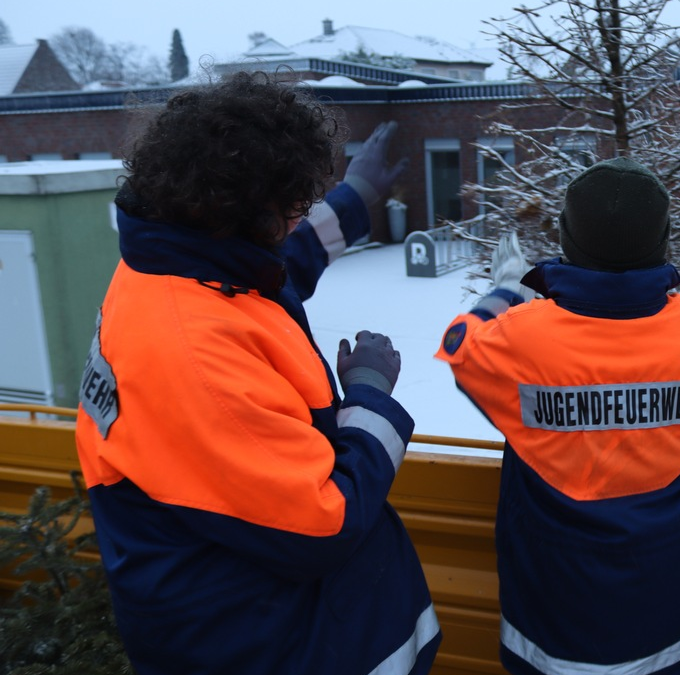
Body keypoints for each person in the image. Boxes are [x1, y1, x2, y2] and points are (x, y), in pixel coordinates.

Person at [74, 71, 441, 675]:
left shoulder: (163, 269)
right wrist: (371, 400)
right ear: (241, 213)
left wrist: (353, 202)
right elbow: (324, 522)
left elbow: (265, 275)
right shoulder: (195, 360)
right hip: (274, 646)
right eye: (294, 206)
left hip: (235, 620)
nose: (300, 219)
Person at [436, 157, 680, 675]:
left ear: (568, 240)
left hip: (551, 624)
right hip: (671, 614)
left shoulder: (520, 337)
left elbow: (461, 349)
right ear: (662, 243)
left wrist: (507, 289)